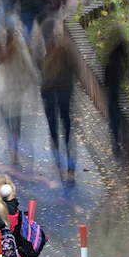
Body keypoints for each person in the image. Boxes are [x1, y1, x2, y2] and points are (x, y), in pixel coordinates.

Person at [0, 28, 40, 167]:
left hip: (2, 92)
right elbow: (28, 65)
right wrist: (34, 81)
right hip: (16, 91)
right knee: (15, 124)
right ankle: (14, 151)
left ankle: (11, 146)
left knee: (7, 122)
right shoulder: (19, 46)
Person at [40, 34, 79, 184]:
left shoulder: (46, 60)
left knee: (53, 131)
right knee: (67, 128)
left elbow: (43, 79)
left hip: (49, 95)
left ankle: (60, 169)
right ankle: (71, 170)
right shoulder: (66, 55)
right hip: (64, 94)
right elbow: (74, 73)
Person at [103, 25, 129, 161]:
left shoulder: (109, 64)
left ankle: (116, 143)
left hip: (112, 95)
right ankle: (123, 141)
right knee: (119, 117)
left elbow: (105, 82)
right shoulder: (121, 63)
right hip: (118, 92)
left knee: (113, 118)